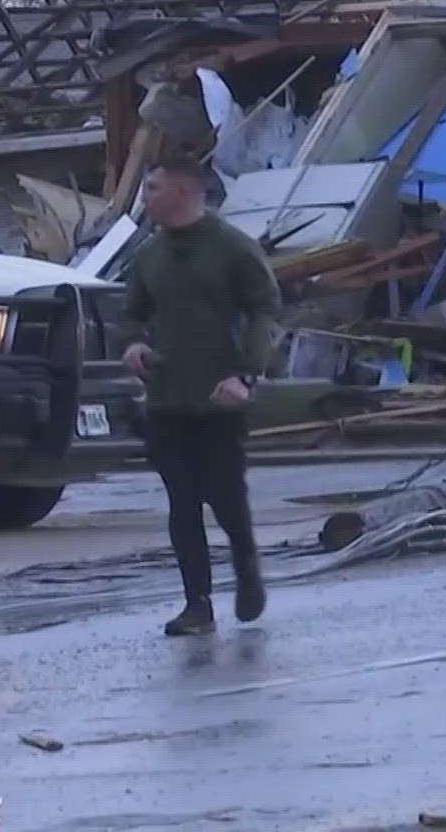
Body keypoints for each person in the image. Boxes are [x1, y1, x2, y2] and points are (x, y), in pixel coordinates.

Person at [120, 157, 282, 636]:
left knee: (226, 496)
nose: (145, 197)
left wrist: (245, 374)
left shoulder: (232, 249)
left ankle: (247, 568)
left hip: (220, 395)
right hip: (167, 397)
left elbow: (265, 310)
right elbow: (131, 311)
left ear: (184, 191)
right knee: (182, 501)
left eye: (153, 187)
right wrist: (133, 343)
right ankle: (197, 603)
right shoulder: (149, 256)